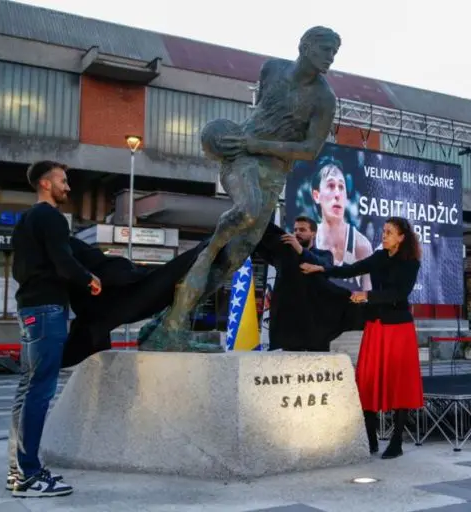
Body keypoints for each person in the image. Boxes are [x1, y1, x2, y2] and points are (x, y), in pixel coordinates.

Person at [154, 26, 341, 344]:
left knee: (233, 261)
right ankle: (212, 245)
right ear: (305, 46)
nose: (330, 59)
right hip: (243, 158)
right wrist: (243, 142)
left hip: (273, 173)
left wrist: (260, 145)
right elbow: (260, 115)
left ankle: (174, 319)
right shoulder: (272, 69)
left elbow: (310, 150)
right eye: (326, 50)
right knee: (248, 210)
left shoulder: (324, 98)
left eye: (334, 54)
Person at [7, 160, 102, 498]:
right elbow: (63, 261)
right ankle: (31, 476)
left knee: (26, 388)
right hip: (47, 310)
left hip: (29, 309)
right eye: (63, 181)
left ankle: (17, 470)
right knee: (39, 391)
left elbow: (24, 268)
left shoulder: (26, 220)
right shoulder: (50, 217)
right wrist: (89, 278)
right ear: (46, 184)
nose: (68, 187)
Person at [301, 216, 423, 459]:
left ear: (401, 237)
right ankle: (371, 439)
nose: (384, 235)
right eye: (384, 231)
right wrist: (322, 268)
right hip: (376, 326)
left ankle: (396, 442)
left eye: (389, 232)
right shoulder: (379, 257)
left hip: (398, 329)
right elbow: (351, 269)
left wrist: (367, 296)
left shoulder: (410, 263)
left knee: (399, 384)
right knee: (367, 381)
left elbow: (399, 293)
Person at [254, 216, 361, 351]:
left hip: (314, 322)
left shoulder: (324, 255)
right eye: (295, 230)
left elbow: (324, 265)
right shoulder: (285, 255)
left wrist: (299, 249)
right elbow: (262, 248)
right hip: (288, 320)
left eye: (302, 230)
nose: (297, 233)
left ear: (313, 233)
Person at [311, 157, 373, 291]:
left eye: (341, 186)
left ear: (346, 197)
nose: (337, 194)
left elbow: (368, 299)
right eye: (331, 186)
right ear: (316, 196)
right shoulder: (309, 241)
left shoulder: (361, 246)